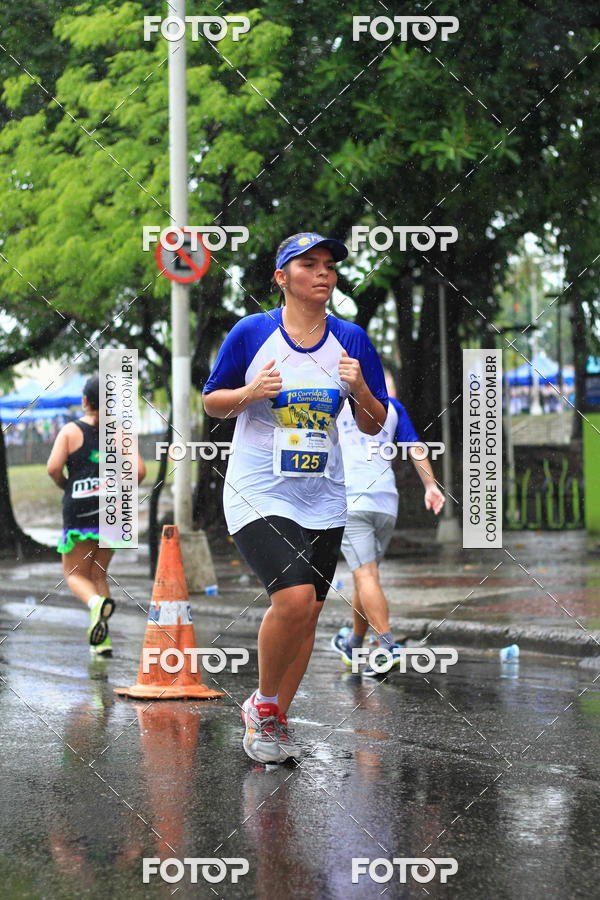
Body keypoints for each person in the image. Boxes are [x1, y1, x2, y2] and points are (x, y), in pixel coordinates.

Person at [202, 232, 389, 764]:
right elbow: (214, 403)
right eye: (309, 265)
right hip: (257, 490)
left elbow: (374, 426)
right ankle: (262, 704)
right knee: (294, 599)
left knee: (308, 614)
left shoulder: (351, 340)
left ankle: (277, 717)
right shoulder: (252, 333)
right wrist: (249, 393)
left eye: (329, 265)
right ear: (282, 278)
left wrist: (362, 392)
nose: (323, 273)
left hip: (324, 496)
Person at [330, 394, 445, 676]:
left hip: (352, 501)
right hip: (386, 504)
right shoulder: (393, 406)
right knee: (365, 575)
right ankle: (354, 643)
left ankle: (387, 645)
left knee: (366, 575)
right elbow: (414, 447)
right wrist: (430, 486)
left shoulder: (330, 400)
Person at [47, 375, 146, 656]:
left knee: (75, 574)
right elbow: (138, 472)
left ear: (85, 401)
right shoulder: (120, 433)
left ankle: (95, 605)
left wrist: (65, 485)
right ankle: (101, 641)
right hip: (113, 511)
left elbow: (53, 468)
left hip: (79, 509)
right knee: (98, 573)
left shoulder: (69, 431)